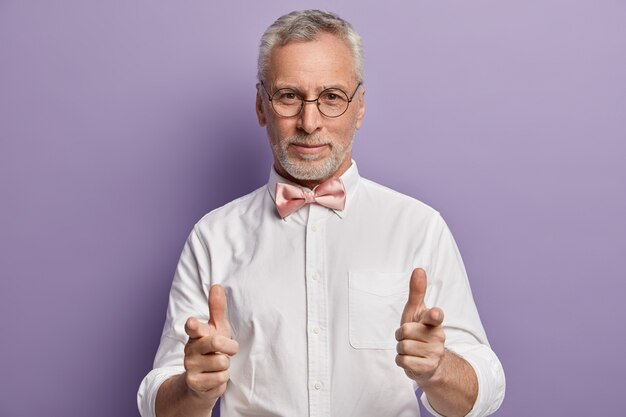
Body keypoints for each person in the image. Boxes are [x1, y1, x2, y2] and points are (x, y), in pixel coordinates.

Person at [138, 9, 505, 417]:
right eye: (289, 96)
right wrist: (194, 391)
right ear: (262, 106)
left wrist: (439, 370)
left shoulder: (419, 228)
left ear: (359, 107)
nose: (309, 123)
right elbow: (159, 402)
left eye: (331, 97)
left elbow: (484, 390)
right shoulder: (212, 237)